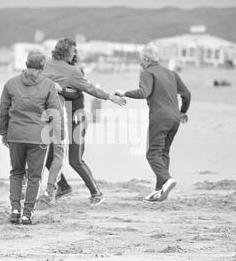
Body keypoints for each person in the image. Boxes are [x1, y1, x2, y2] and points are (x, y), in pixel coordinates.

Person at [42, 37, 126, 206]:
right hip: (58, 120)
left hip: (76, 118)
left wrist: (110, 97)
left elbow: (88, 89)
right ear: (65, 52)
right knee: (51, 158)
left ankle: (97, 193)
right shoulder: (58, 68)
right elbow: (87, 88)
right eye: (74, 51)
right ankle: (63, 187)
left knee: (75, 160)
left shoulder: (72, 71)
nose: (76, 54)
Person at [115, 43, 191, 202]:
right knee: (163, 152)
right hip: (174, 119)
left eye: (140, 59)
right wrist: (183, 111)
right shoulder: (171, 73)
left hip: (160, 118)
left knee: (152, 153)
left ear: (145, 59)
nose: (139, 63)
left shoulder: (147, 73)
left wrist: (124, 93)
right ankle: (159, 189)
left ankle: (166, 179)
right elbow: (187, 94)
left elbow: (144, 92)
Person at [0, 49, 64, 225]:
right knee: (34, 177)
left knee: (16, 172)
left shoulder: (10, 83)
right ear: (43, 66)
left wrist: (3, 133)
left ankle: (14, 209)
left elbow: (3, 111)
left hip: (16, 135)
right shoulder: (48, 85)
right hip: (38, 137)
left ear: (26, 64)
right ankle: (27, 213)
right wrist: (60, 135)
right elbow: (55, 113)